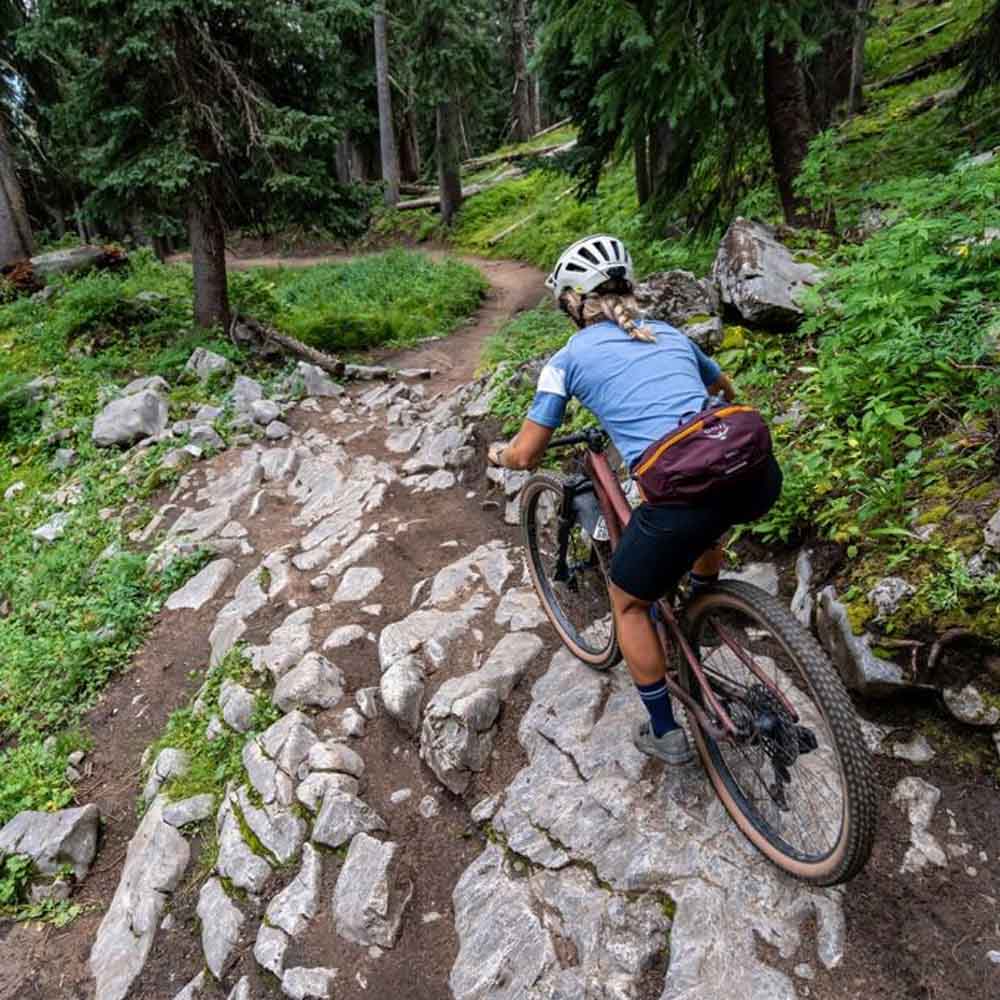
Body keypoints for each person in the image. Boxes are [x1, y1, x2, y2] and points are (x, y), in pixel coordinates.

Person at [487, 234, 782, 765]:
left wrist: (500, 455)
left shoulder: (568, 358)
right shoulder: (668, 334)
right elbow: (725, 392)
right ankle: (704, 604)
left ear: (575, 304)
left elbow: (528, 455)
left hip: (678, 495)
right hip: (753, 476)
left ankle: (665, 731)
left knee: (628, 600)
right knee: (708, 517)